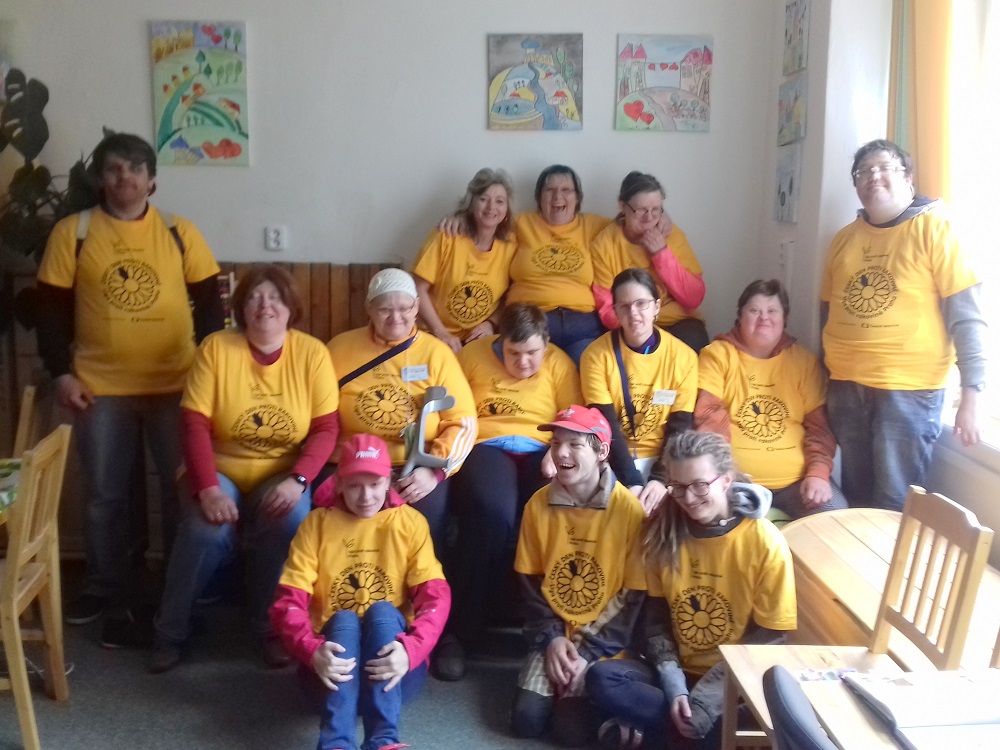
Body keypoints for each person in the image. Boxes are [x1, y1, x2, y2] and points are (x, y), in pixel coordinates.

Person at [34, 132, 224, 646]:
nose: (125, 177)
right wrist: (61, 374)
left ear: (152, 180)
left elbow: (211, 308)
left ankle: (178, 584)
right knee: (104, 495)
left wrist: (212, 378)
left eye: (135, 168)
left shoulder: (180, 232)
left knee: (181, 489)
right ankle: (104, 586)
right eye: (115, 168)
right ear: (100, 178)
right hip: (99, 389)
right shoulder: (73, 233)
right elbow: (49, 312)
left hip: (177, 388)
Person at [149, 265, 339, 673]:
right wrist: (207, 489)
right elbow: (194, 424)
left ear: (291, 307)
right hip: (219, 468)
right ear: (240, 308)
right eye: (254, 297)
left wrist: (299, 480)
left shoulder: (313, 354)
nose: (264, 305)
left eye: (275, 297)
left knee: (291, 519)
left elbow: (326, 429)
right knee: (206, 529)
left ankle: (271, 628)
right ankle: (170, 631)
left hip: (282, 472)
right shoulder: (215, 348)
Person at [586, 431, 797, 750]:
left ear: (726, 481)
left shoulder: (765, 542)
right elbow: (656, 625)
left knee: (753, 717)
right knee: (602, 678)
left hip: (730, 682)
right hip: (675, 673)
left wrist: (706, 701)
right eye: (678, 487)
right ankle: (685, 733)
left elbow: (771, 637)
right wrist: (676, 691)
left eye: (699, 485)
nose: (688, 498)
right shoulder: (663, 533)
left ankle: (655, 734)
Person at [820, 139, 986, 511]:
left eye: (884, 168)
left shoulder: (938, 227)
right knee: (857, 496)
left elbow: (967, 317)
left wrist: (972, 396)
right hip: (845, 386)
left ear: (908, 177)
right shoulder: (843, 240)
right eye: (863, 172)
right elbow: (826, 315)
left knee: (894, 501)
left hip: (908, 390)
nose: (873, 177)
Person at [270, 433, 450, 750]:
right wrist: (311, 651)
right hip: (328, 673)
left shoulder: (411, 523)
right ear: (339, 484)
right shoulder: (316, 524)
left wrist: (411, 650)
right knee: (344, 619)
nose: (366, 496)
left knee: (382, 611)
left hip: (393, 672)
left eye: (375, 484)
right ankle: (335, 742)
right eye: (355, 485)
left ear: (389, 482)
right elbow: (288, 602)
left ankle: (383, 740)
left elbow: (436, 598)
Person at [433, 303, 582, 681]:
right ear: (500, 341)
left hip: (542, 448)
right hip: (487, 445)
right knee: (493, 512)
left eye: (533, 353)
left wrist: (557, 452)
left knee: (554, 511)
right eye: (513, 353)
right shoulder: (471, 357)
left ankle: (552, 635)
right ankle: (460, 631)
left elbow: (573, 420)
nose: (524, 363)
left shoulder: (560, 364)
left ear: (546, 343)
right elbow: (453, 413)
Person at [511, 406, 647, 747]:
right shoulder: (537, 505)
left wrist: (586, 653)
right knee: (526, 720)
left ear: (602, 452)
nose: (561, 453)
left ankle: (613, 713)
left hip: (603, 642)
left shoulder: (629, 511)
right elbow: (530, 583)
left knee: (570, 732)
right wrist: (553, 640)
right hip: (554, 635)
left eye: (574, 445)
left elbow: (632, 597)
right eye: (556, 443)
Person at [327, 268, 477, 553]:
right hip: (350, 466)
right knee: (340, 530)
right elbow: (320, 415)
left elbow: (463, 423)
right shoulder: (339, 349)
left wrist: (434, 472)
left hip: (413, 467)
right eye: (385, 309)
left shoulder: (437, 354)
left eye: (405, 308)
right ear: (369, 309)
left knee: (423, 528)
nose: (396, 318)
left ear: (417, 307)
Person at [695, 279, 848, 519]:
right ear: (740, 317)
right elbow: (708, 418)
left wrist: (818, 473)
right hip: (737, 482)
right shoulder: (716, 355)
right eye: (754, 310)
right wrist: (723, 472)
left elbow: (819, 427)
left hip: (799, 483)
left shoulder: (803, 362)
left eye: (772, 311)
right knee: (720, 525)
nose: (763, 318)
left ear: (784, 319)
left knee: (836, 519)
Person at [442, 165, 617, 365]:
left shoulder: (595, 226)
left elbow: (629, 223)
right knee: (517, 370)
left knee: (589, 369)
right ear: (539, 197)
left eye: (566, 190)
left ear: (577, 198)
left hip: (583, 326)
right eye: (550, 190)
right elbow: (486, 219)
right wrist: (459, 219)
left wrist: (652, 222)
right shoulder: (519, 223)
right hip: (527, 322)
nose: (557, 197)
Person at [580, 268, 697, 515]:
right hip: (613, 458)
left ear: (656, 307)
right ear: (615, 311)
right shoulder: (595, 356)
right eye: (624, 306)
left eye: (641, 303)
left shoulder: (684, 357)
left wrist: (660, 478)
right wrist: (631, 482)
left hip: (664, 458)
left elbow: (680, 428)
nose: (633, 313)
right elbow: (606, 426)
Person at [592, 171, 709, 352]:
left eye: (656, 210)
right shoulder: (605, 244)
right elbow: (607, 308)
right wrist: (639, 324)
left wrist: (661, 253)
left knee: (694, 340)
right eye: (641, 210)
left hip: (676, 321)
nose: (649, 218)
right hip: (630, 323)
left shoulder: (672, 235)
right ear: (622, 206)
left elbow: (694, 297)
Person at [411, 168, 518, 352]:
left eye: (499, 201)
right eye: (483, 199)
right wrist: (440, 332)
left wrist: (491, 323)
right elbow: (417, 288)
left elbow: (511, 294)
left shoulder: (511, 244)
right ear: (471, 203)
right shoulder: (447, 235)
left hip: (479, 339)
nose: (491, 207)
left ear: (506, 209)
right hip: (432, 335)